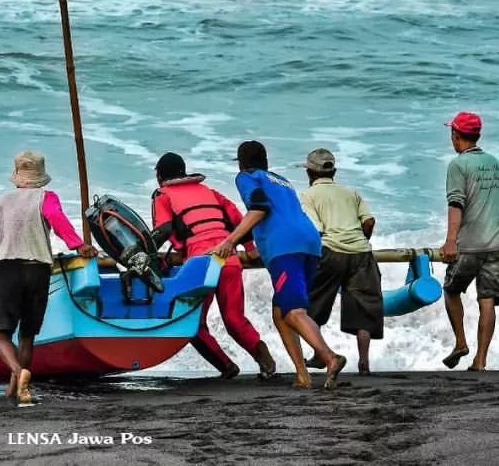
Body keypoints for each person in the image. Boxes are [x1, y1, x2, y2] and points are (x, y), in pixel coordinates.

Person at [211, 141, 346, 390]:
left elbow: (259, 208)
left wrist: (230, 241)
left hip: (286, 246)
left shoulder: (246, 177)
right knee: (280, 312)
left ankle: (329, 357)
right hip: (310, 242)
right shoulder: (281, 180)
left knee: (293, 311)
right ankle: (303, 376)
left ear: (241, 163)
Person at [149, 152, 277, 380]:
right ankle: (263, 358)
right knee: (235, 319)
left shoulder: (162, 194)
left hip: (200, 265)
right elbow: (239, 219)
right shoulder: (209, 192)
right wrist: (249, 249)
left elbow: (164, 229)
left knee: (193, 323)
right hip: (228, 259)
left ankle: (226, 367)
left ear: (159, 176)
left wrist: (148, 253)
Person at [0, 150, 98, 404]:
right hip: (37, 268)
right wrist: (78, 245)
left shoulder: (2, 200)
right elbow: (57, 220)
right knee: (27, 334)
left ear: (17, 175)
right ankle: (17, 388)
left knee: (0, 334)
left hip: (7, 268)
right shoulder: (46, 197)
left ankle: (18, 373)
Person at [439, 112, 499, 372]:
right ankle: (480, 360)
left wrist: (451, 241)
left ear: (456, 136)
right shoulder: (496, 163)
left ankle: (461, 342)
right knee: (488, 300)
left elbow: (456, 202)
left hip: (470, 245)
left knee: (451, 290)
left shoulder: (458, 165)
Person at [298, 149, 384, 374]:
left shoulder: (308, 196)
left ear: (309, 172)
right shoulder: (350, 192)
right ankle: (364, 362)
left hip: (330, 251)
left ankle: (319, 354)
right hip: (361, 253)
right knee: (364, 307)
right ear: (333, 171)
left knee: (313, 303)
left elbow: (315, 230)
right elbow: (369, 222)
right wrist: (359, 242)